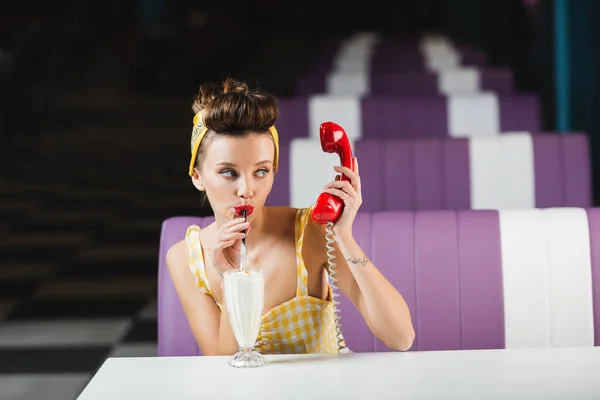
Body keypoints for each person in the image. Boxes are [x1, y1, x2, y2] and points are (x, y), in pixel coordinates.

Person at [166, 78, 415, 355]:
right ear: (198, 177)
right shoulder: (185, 259)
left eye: (261, 171)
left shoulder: (311, 231)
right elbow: (225, 369)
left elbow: (401, 337)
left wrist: (343, 235)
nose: (247, 190)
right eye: (229, 172)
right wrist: (232, 280)